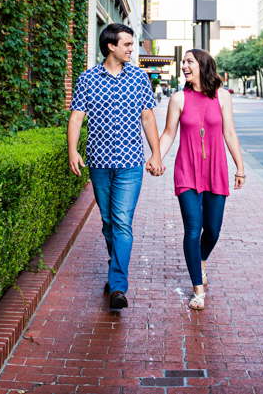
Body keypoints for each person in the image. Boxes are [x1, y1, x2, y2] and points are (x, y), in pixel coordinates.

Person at [67, 23, 164, 310]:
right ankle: (115, 269)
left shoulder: (138, 78)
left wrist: (156, 154)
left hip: (130, 163)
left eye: (132, 44)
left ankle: (118, 286)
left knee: (122, 222)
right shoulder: (87, 79)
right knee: (109, 223)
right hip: (98, 162)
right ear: (111, 46)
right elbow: (76, 118)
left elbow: (147, 118)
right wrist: (72, 151)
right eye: (127, 45)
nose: (132, 49)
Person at [157, 49, 245, 311]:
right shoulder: (178, 98)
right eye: (183, 62)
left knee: (213, 231)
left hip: (216, 170)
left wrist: (240, 167)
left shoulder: (223, 97)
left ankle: (201, 260)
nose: (184, 66)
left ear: (203, 65)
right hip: (187, 170)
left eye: (189, 62)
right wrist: (156, 157)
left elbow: (229, 133)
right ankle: (198, 288)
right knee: (192, 231)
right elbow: (169, 133)